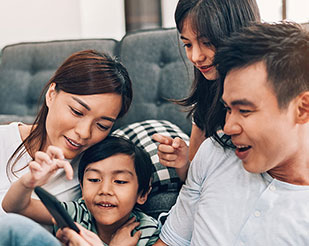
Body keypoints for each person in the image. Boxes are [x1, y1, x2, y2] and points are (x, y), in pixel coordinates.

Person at [154, 22, 309, 245]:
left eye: (244, 110)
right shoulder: (214, 152)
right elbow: (171, 241)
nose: (228, 127)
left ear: (302, 109)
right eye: (228, 109)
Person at [0, 49, 133, 215]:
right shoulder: (4, 139)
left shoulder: (94, 175)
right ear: (51, 95)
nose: (84, 133)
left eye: (102, 125)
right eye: (77, 112)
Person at [152, 0, 261, 181]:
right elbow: (193, 179)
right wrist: (182, 163)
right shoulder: (208, 90)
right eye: (188, 44)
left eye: (208, 43)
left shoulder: (273, 90)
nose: (196, 57)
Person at [3, 135, 161, 245]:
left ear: (142, 193)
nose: (105, 190)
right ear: (82, 185)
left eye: (120, 181)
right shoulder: (76, 213)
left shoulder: (146, 232)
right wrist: (27, 182)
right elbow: (15, 207)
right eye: (93, 180)